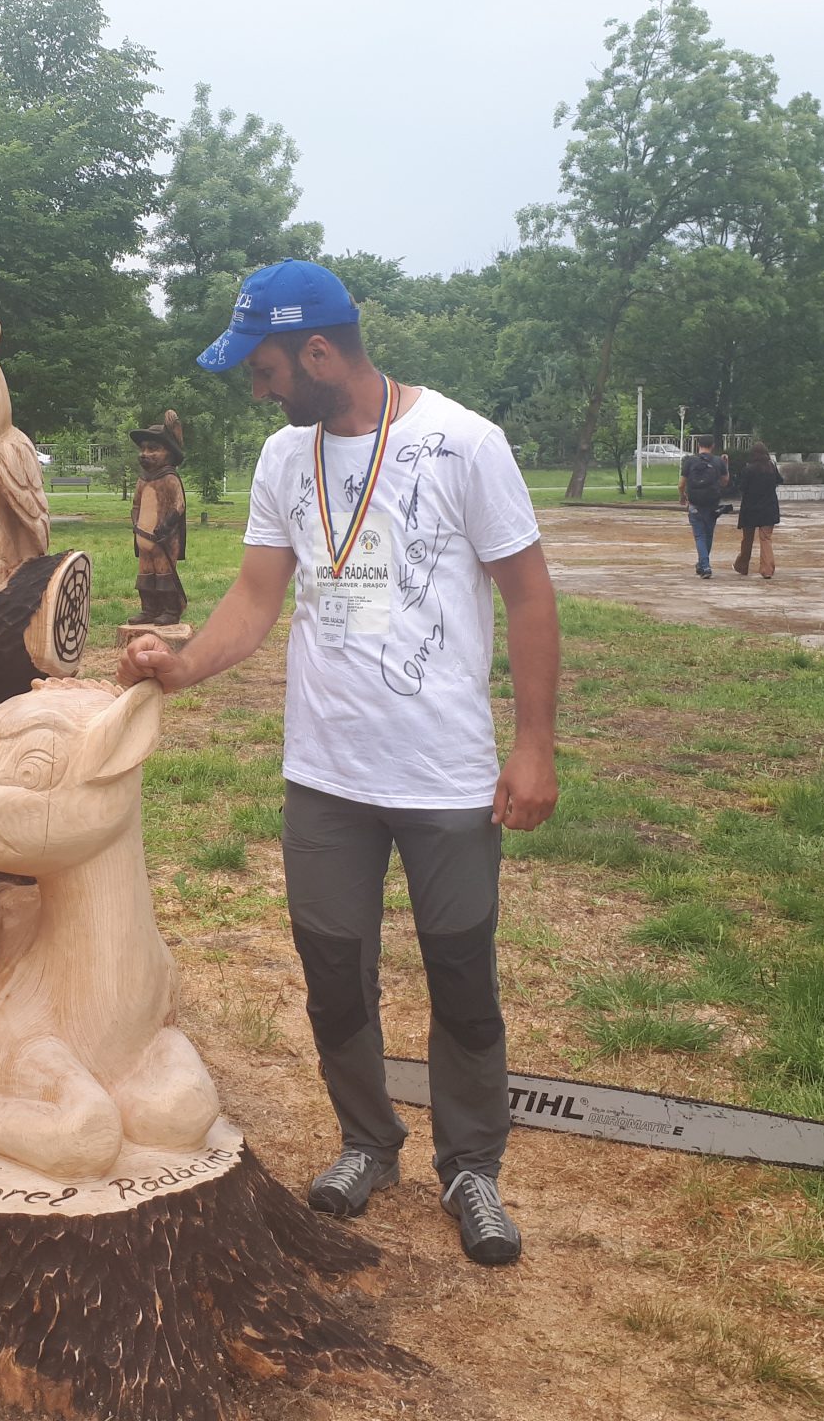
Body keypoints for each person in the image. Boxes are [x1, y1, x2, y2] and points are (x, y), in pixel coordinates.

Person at [121, 260, 560, 1268]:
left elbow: (530, 596)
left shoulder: (464, 443)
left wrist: (533, 746)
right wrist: (180, 666)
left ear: (318, 352)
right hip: (324, 775)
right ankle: (368, 1142)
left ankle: (472, 1168)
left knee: (461, 976)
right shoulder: (286, 458)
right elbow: (253, 598)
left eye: (266, 369)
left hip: (444, 776)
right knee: (332, 975)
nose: (259, 389)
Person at [130, 413, 188, 626]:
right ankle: (149, 610)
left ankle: (170, 611)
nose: (145, 454)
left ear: (169, 453)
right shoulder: (142, 480)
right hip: (143, 538)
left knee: (164, 574)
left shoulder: (169, 479)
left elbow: (179, 506)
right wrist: (136, 523)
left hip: (164, 539)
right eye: (143, 449)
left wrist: (165, 527)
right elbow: (136, 505)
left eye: (153, 449)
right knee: (145, 576)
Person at [678, 437, 728, 579]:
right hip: (712, 503)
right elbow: (725, 482)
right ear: (712, 446)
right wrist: (726, 465)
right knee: (708, 534)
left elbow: (681, 484)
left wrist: (682, 496)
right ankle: (702, 564)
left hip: (695, 503)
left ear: (698, 445)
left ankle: (705, 566)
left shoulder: (690, 461)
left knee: (700, 535)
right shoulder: (718, 461)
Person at [732, 441, 781, 579]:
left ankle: (742, 566)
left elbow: (742, 487)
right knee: (766, 539)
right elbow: (779, 481)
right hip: (769, 507)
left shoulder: (748, 469)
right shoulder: (771, 467)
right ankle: (767, 569)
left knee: (747, 540)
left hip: (750, 508)